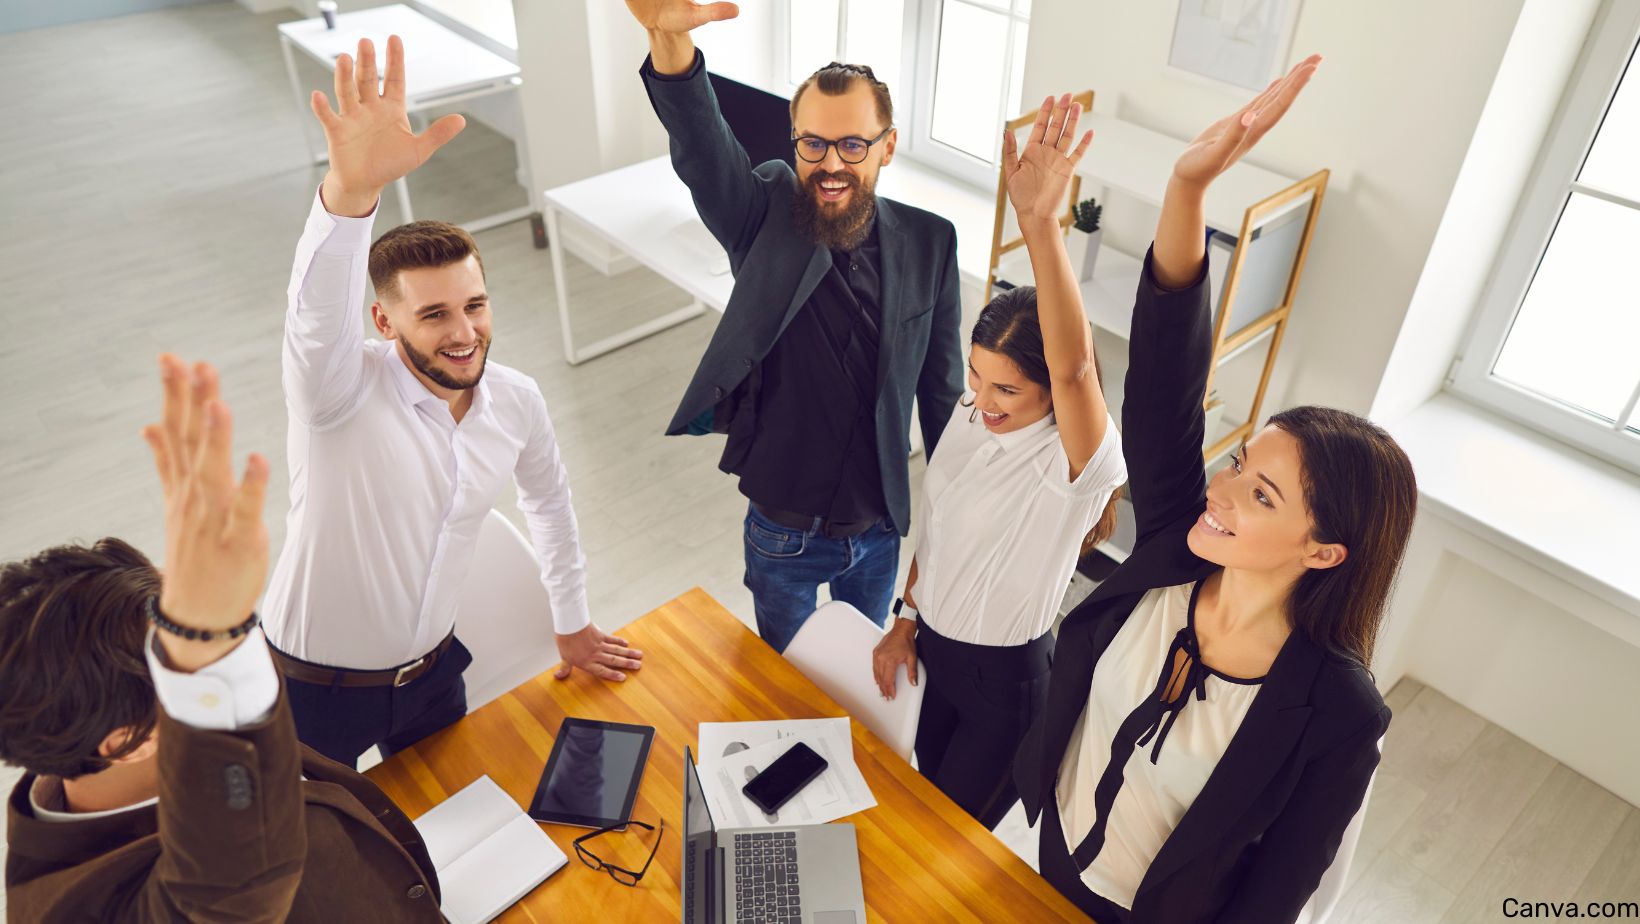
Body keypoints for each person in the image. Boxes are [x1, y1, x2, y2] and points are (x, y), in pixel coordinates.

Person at [1012, 56, 1419, 923]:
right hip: (1043, 856)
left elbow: (1270, 903)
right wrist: (1187, 190)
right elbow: (1162, 384)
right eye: (1240, 465)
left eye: (1263, 496)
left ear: (1325, 551)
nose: (1223, 492)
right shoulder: (1172, 548)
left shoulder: (1338, 715)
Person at [265, 36, 640, 766]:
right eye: (434, 315)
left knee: (452, 829)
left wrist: (572, 621)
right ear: (384, 321)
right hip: (312, 695)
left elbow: (551, 508)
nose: (465, 334)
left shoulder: (516, 400)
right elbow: (314, 317)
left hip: (434, 679)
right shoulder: (335, 395)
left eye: (475, 305)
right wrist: (351, 198)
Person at [2, 355, 443, 922]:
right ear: (126, 740)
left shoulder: (78, 723)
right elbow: (227, 883)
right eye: (193, 661)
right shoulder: (92, 908)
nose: (240, 653)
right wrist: (203, 635)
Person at [626, 0, 965, 653]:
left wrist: (953, 532)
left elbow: (943, 397)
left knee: (863, 676)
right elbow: (704, 150)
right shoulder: (764, 214)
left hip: (879, 528)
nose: (830, 163)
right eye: (813, 143)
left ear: (886, 147)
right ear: (795, 143)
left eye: (852, 144)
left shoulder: (932, 242)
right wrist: (669, 48)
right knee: (782, 676)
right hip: (783, 528)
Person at [869, 95, 1126, 831]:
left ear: (1054, 392)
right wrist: (906, 618)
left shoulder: (1072, 460)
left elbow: (1075, 364)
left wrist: (1039, 226)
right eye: (977, 376)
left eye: (1009, 388)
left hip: (1006, 685)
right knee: (920, 808)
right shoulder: (966, 413)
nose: (983, 399)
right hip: (939, 657)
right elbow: (941, 527)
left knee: (945, 842)